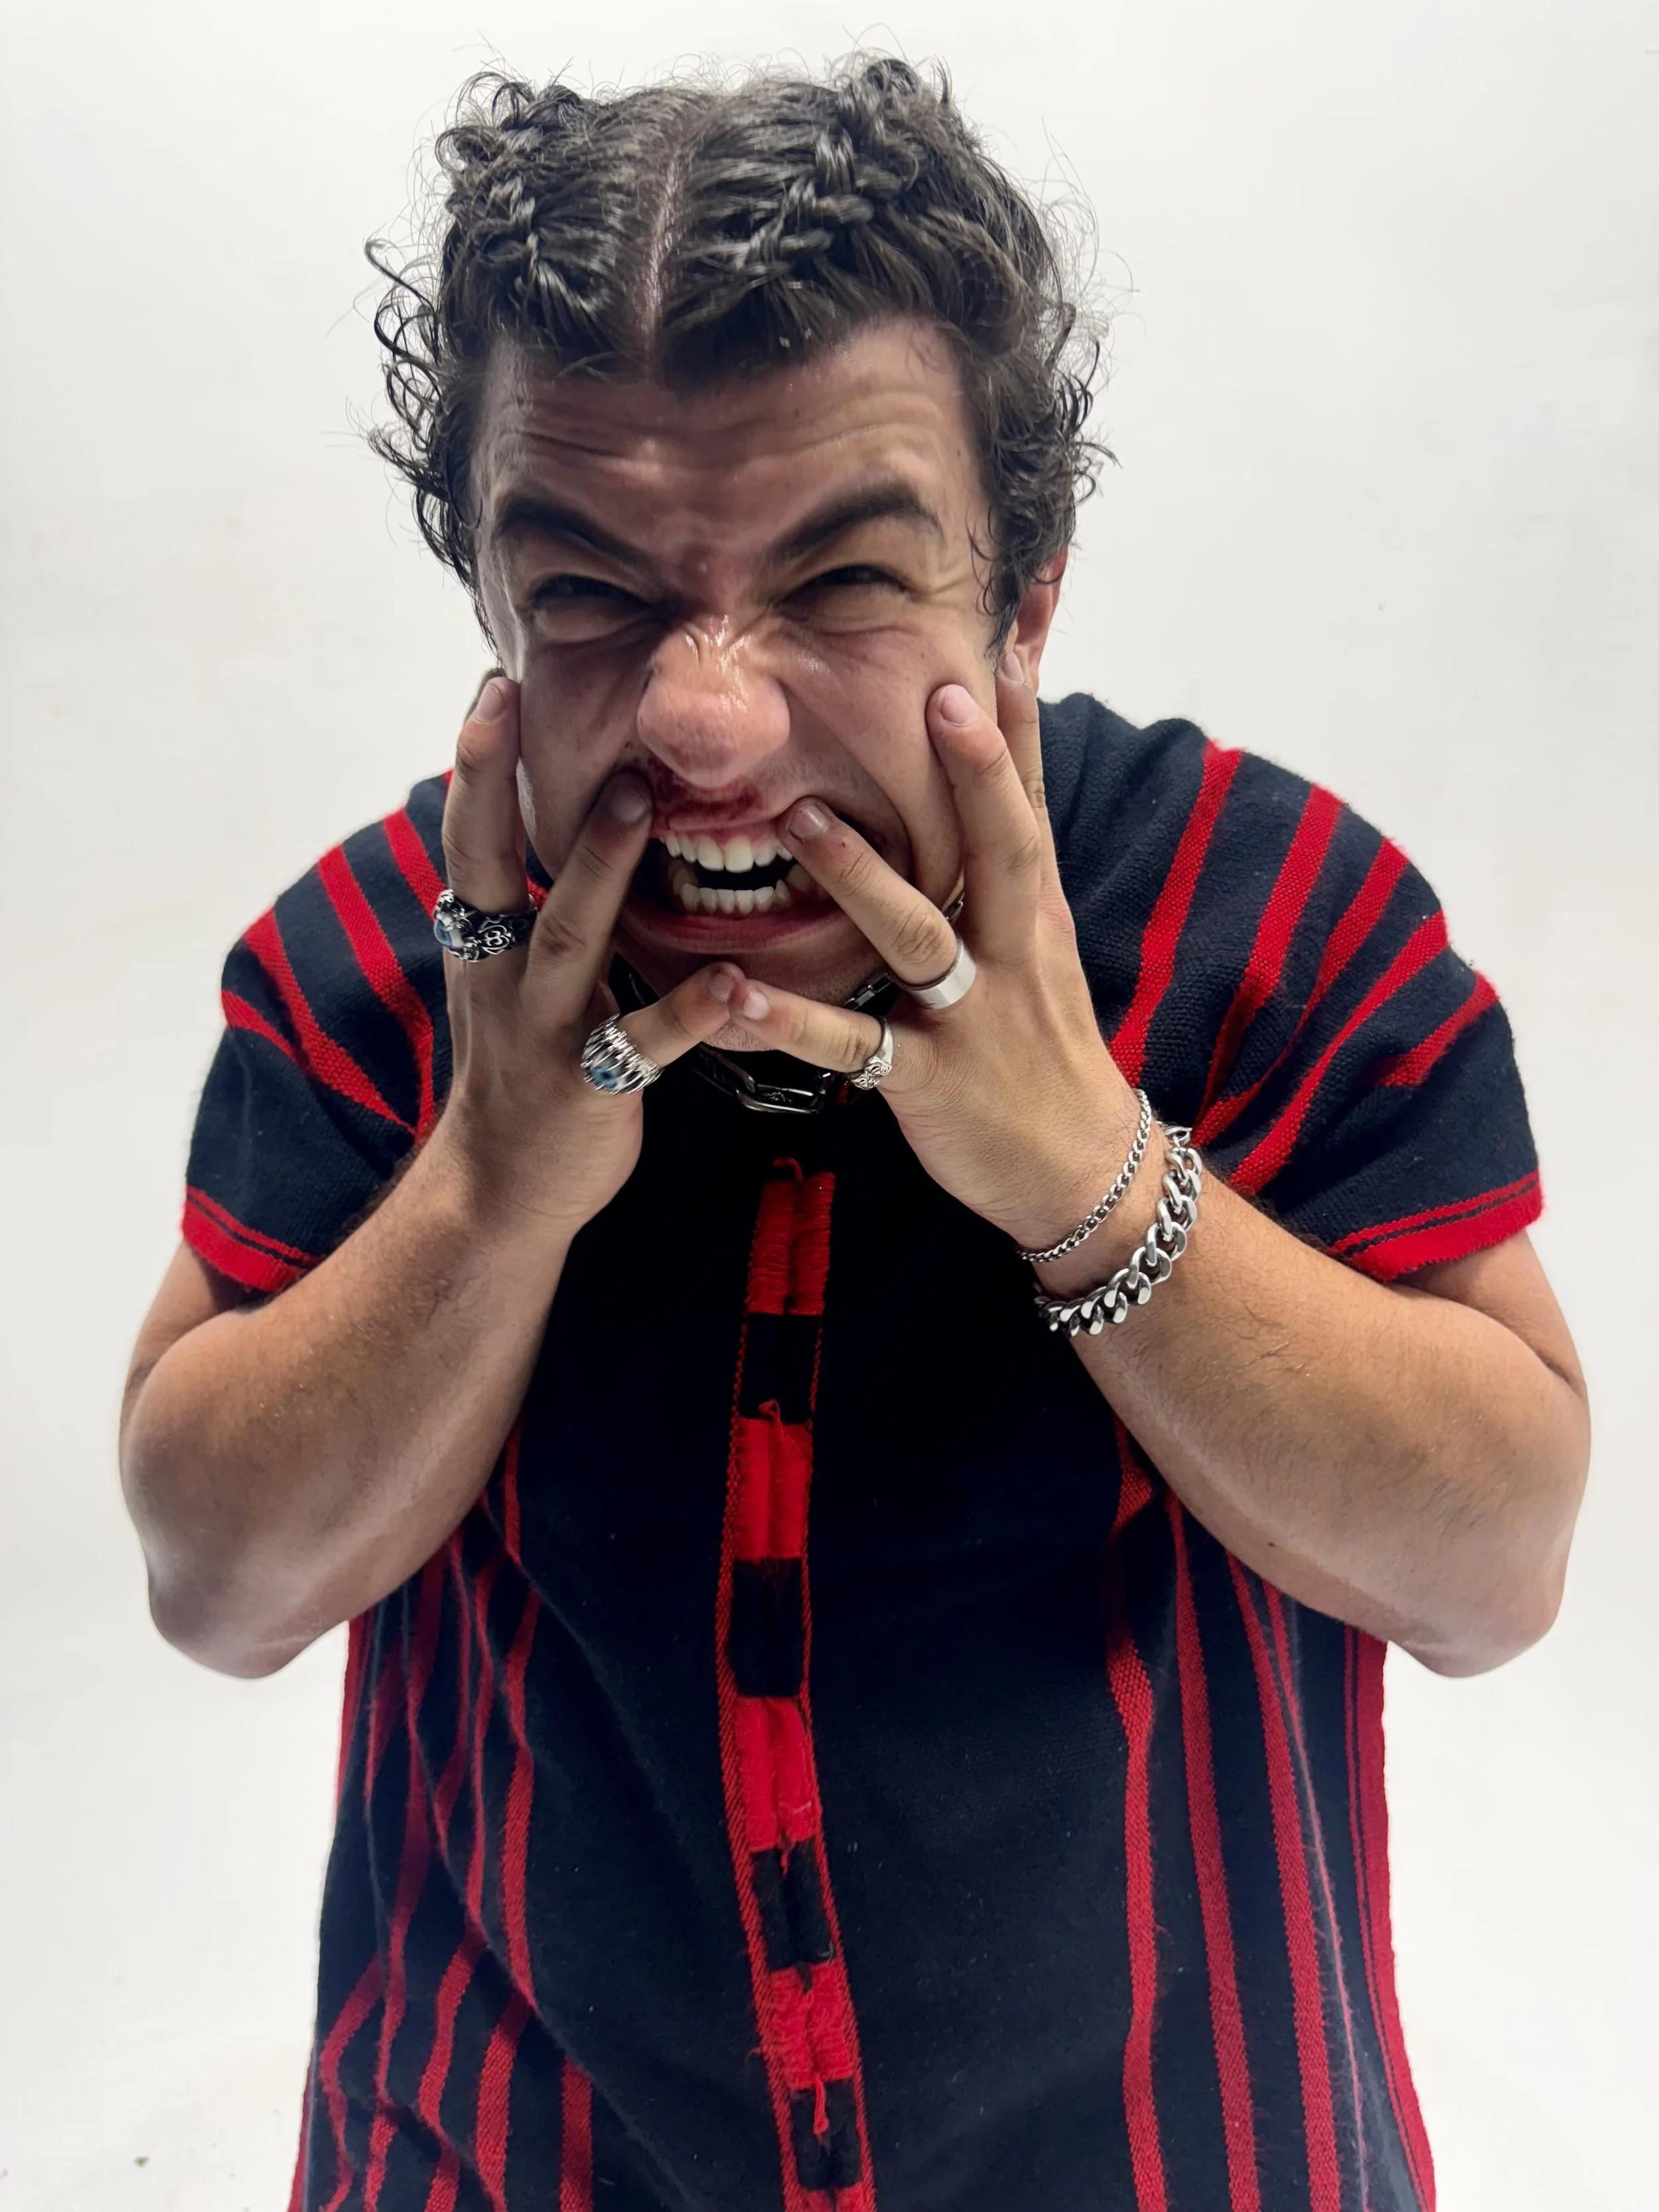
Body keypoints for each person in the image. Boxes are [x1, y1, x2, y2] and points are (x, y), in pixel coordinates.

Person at [118, 58, 1589, 2212]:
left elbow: (1495, 1567)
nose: (707, 724)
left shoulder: (1276, 927)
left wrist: (1089, 1177)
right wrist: (486, 1196)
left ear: (1028, 595)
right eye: (595, 597)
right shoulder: (372, 967)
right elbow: (213, 1582)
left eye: (839, 586)